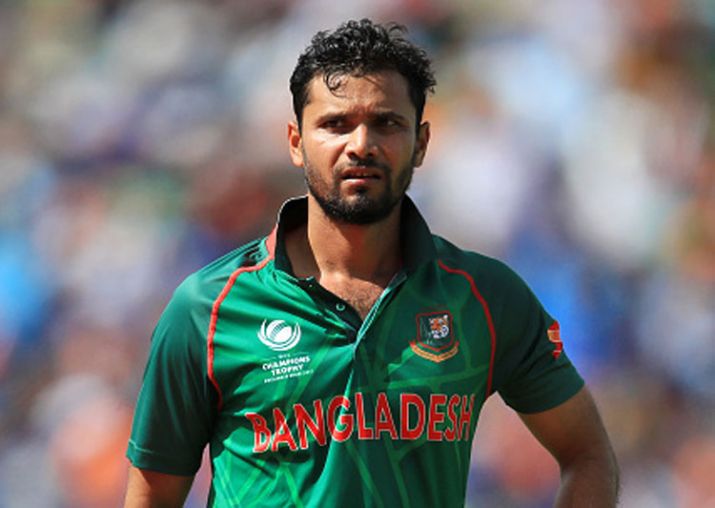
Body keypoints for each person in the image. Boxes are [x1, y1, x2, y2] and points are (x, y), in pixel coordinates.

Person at [124, 18, 620, 507]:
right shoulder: (208, 308)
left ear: (421, 143)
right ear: (296, 143)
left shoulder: (483, 296)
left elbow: (588, 454)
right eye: (335, 124)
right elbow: (152, 494)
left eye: (386, 123)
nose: (360, 145)